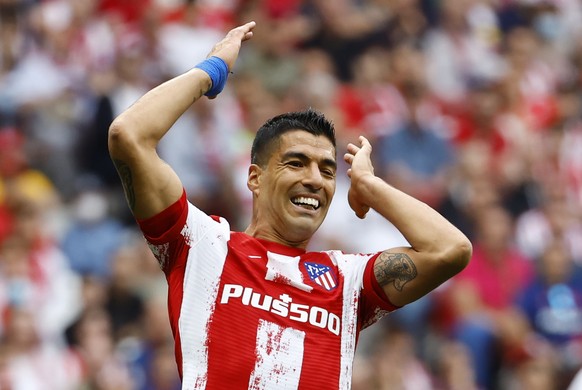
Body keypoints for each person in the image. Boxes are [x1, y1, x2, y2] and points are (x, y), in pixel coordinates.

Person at [107, 21, 472, 389]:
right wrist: (213, 71)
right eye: (296, 162)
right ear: (255, 178)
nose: (315, 179)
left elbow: (450, 249)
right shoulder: (202, 245)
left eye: (328, 170)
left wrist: (370, 186)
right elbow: (129, 135)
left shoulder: (347, 282)